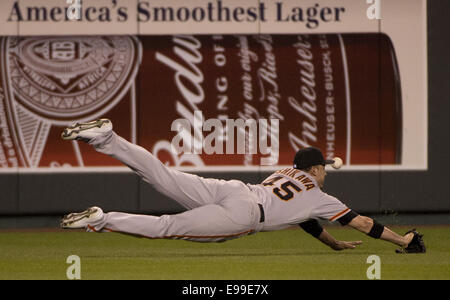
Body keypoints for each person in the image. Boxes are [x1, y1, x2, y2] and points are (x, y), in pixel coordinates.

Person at [60, 119, 425, 253]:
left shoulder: (285, 172)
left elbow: (304, 220)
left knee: (161, 175)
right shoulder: (320, 195)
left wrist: (332, 244)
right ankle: (102, 219)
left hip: (234, 189)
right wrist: (403, 241)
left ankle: (106, 139)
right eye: (324, 167)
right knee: (166, 227)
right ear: (314, 168)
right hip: (245, 213)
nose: (326, 172)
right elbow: (363, 223)